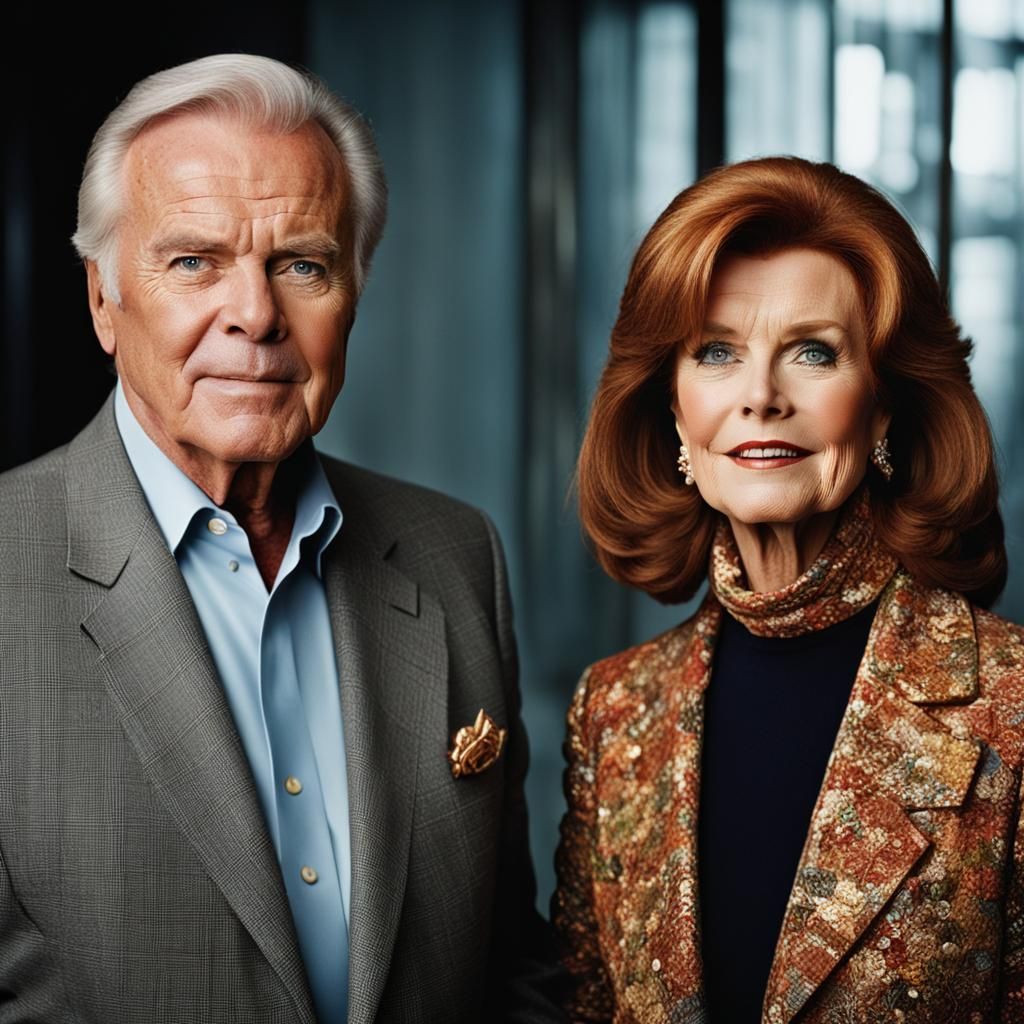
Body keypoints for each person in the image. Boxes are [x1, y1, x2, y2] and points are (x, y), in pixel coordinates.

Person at [0, 54, 564, 1023]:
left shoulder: (455, 554)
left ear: (353, 292)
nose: (256, 316)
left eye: (301, 263)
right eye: (193, 262)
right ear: (103, 299)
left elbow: (512, 970)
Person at [552, 156, 1024, 1022]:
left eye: (813, 351)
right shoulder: (613, 712)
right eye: (718, 353)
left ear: (883, 409)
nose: (761, 396)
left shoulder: (1012, 705)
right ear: (674, 413)